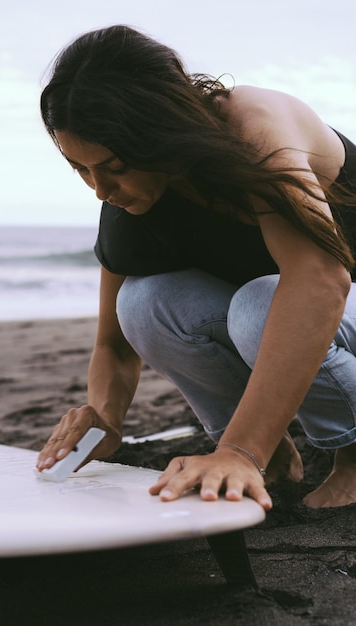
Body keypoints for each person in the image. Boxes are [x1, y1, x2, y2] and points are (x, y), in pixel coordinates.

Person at [36, 24, 356, 510]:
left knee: (258, 306)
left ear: (158, 133)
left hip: (335, 296)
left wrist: (237, 451)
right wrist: (104, 419)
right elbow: (114, 345)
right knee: (143, 303)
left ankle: (337, 455)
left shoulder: (254, 124)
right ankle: (270, 459)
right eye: (81, 168)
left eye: (114, 166)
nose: (99, 189)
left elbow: (320, 278)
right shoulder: (129, 201)